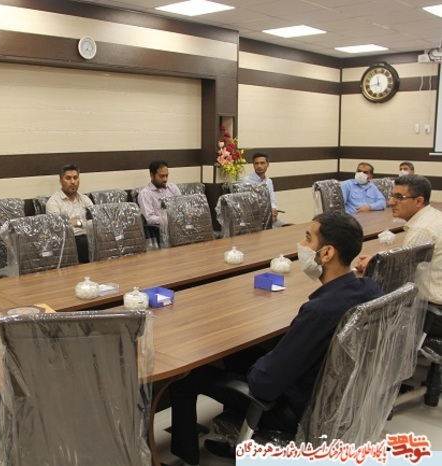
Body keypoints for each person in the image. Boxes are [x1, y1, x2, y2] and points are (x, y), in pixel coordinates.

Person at [169, 211, 382, 465]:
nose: (301, 245)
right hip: (337, 399)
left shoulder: (318, 311)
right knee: (239, 354)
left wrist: (265, 364)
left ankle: (187, 459)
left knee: (186, 379)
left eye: (308, 239)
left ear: (327, 253)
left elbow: (264, 385)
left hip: (296, 410)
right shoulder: (370, 289)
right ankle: (237, 439)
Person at [355, 174, 442, 337]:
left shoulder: (421, 229)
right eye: (392, 196)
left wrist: (374, 265)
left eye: (399, 197)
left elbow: (398, 277)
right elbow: (407, 258)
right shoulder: (433, 216)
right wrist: (377, 258)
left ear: (418, 201)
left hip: (431, 313)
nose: (391, 202)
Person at [46, 164, 94, 263]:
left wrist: (77, 223)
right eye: (68, 178)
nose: (72, 182)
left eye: (75, 178)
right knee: (83, 242)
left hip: (89, 236)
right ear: (61, 181)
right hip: (68, 242)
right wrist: (81, 223)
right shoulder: (53, 202)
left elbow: (96, 221)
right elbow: (58, 228)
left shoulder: (85, 199)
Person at [138, 160, 181, 227]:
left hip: (178, 225)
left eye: (166, 175)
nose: (165, 179)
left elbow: (181, 208)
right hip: (159, 229)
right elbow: (150, 219)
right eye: (161, 176)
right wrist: (169, 220)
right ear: (152, 175)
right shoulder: (145, 194)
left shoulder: (173, 187)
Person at [242, 152, 281, 226]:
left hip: (269, 218)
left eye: (262, 163)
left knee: (287, 227)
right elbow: (247, 206)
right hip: (254, 221)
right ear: (253, 165)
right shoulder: (247, 181)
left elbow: (272, 200)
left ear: (268, 164)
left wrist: (273, 210)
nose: (259, 166)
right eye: (256, 163)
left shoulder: (269, 181)